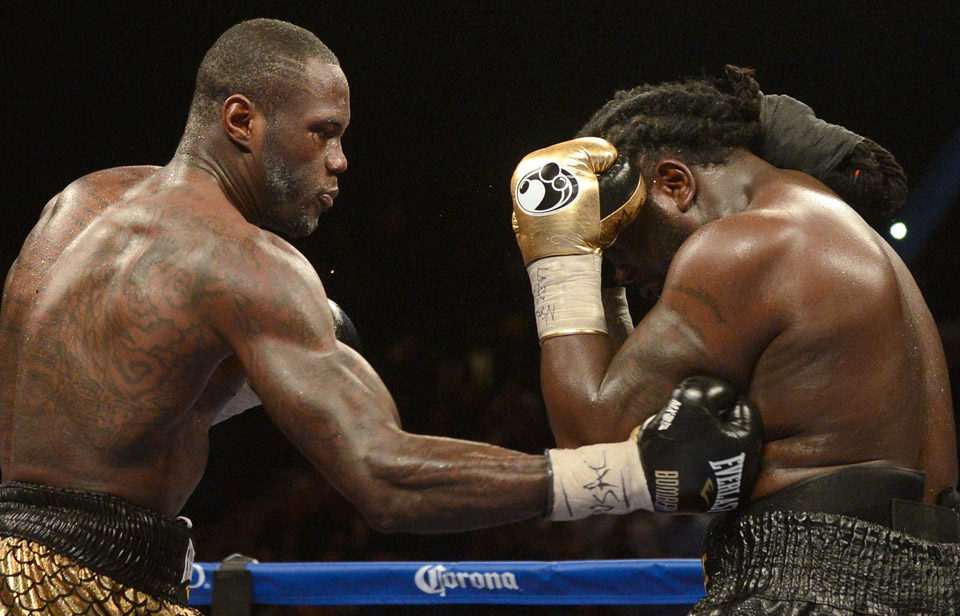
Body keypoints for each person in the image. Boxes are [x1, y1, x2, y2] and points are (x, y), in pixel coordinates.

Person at [0, 21, 765, 615]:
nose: (339, 161)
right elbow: (385, 480)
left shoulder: (80, 204)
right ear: (241, 120)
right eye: (322, 132)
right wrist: (625, 476)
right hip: (90, 589)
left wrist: (226, 388)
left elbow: (81, 407)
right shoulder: (246, 263)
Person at [510, 65, 960, 614]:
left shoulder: (746, 245)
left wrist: (562, 259)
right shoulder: (838, 232)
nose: (620, 272)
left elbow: (593, 443)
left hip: (807, 590)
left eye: (621, 240)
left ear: (675, 184)